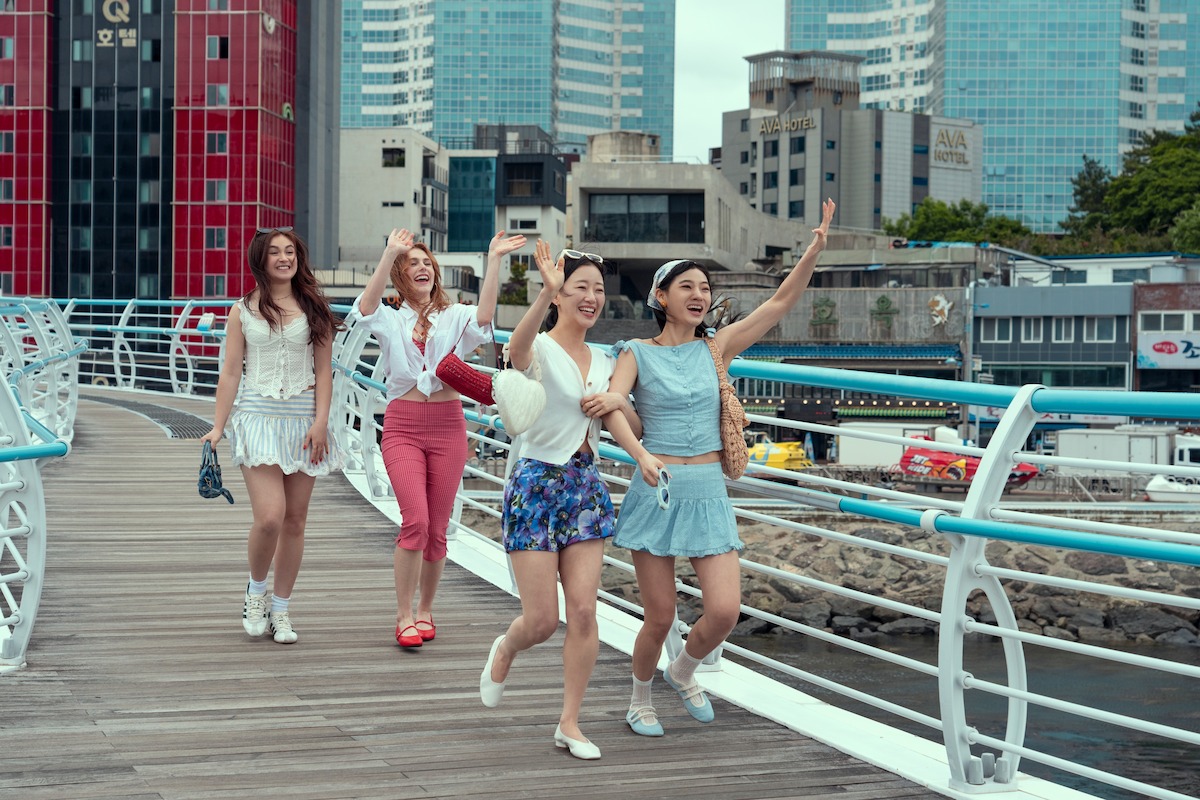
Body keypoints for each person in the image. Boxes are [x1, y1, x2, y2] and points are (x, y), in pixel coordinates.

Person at [603, 199, 836, 736]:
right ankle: (640, 699)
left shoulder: (717, 348)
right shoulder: (635, 351)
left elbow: (778, 303)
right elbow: (615, 405)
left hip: (708, 486)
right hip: (657, 487)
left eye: (704, 288)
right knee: (660, 617)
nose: (699, 295)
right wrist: (640, 457)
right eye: (686, 287)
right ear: (660, 297)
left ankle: (682, 670)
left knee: (726, 610)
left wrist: (813, 251)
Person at [478, 241, 640, 760]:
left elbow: (630, 424)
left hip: (586, 487)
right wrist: (542, 293)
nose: (592, 297)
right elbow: (515, 352)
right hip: (534, 487)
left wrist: (618, 400)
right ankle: (507, 646)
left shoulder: (609, 358)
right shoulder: (540, 347)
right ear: (559, 295)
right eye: (580, 288)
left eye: (598, 289)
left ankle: (569, 722)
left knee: (586, 613)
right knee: (543, 620)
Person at [349, 228, 524, 648]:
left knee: (438, 529)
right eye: (413, 263)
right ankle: (403, 614)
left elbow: (485, 317)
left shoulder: (455, 316)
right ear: (400, 274)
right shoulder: (390, 318)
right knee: (416, 521)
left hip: (448, 426)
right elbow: (364, 306)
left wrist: (494, 258)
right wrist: (391, 249)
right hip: (403, 427)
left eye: (427, 263)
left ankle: (426, 609)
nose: (423, 268)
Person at [202, 226, 346, 645]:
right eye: (275, 253)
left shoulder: (314, 308)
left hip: (304, 422)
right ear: (261, 261)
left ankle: (281, 610)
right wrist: (217, 425)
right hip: (257, 419)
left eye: (290, 251)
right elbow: (230, 372)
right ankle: (256, 590)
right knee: (270, 517)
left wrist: (321, 421)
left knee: (296, 521)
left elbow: (324, 372)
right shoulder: (241, 311)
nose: (284, 258)